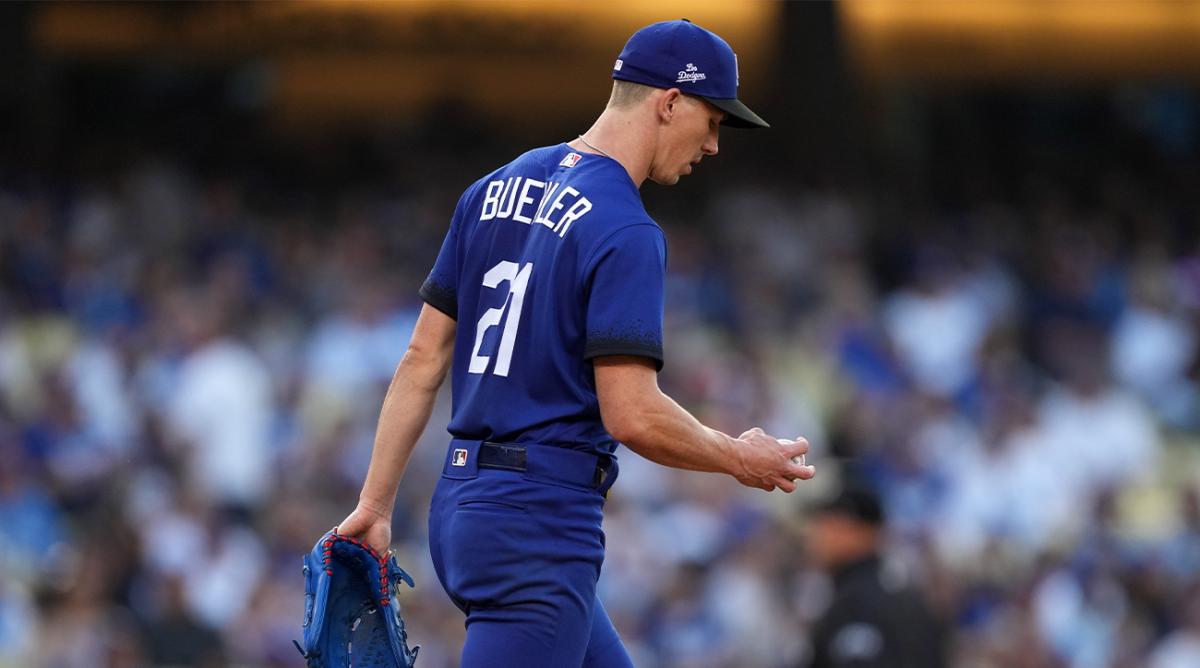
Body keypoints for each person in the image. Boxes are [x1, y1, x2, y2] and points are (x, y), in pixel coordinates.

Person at [337, 19, 815, 667]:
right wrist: (737, 457)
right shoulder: (626, 229)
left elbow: (423, 359)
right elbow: (633, 415)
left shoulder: (492, 189)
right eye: (713, 119)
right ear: (669, 102)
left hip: (466, 504)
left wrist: (375, 502)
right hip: (537, 524)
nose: (713, 144)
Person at [803, 484, 946, 668]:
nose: (817, 535)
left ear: (863, 532)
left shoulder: (859, 602)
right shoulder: (902, 594)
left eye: (829, 524)